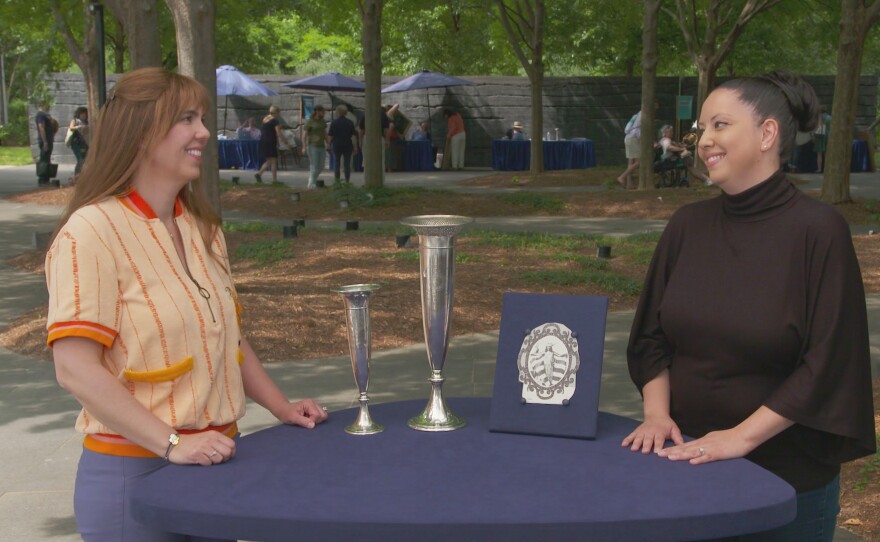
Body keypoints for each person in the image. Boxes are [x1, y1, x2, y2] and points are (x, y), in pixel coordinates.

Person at [45, 67, 328, 541]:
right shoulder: (90, 231)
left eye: (201, 118)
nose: (202, 132)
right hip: (134, 474)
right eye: (186, 119)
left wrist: (281, 406)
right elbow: (75, 369)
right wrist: (172, 443)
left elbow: (229, 339)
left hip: (218, 468)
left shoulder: (202, 228)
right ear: (140, 134)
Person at [623, 72, 876, 541]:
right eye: (701, 129)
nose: (703, 141)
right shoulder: (687, 225)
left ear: (767, 134)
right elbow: (650, 337)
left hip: (785, 484)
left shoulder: (819, 232)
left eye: (720, 125)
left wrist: (739, 438)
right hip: (687, 464)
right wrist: (657, 415)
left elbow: (826, 365)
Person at [254, 105, 288, 183]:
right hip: (270, 141)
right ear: (276, 113)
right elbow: (278, 133)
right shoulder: (274, 121)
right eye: (278, 113)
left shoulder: (265, 119)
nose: (278, 115)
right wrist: (285, 142)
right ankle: (274, 180)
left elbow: (269, 131)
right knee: (273, 161)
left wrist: (278, 142)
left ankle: (259, 174)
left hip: (263, 141)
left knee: (270, 161)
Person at [328, 104, 357, 183]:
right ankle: (347, 181)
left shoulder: (334, 123)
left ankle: (337, 181)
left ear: (338, 112)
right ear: (346, 113)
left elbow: (330, 136)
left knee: (337, 162)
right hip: (348, 144)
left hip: (337, 144)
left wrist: (328, 145)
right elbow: (353, 136)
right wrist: (355, 147)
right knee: (347, 164)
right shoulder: (350, 123)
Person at [302, 105, 328, 189]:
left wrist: (328, 144)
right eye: (322, 112)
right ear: (317, 111)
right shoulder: (310, 121)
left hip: (322, 146)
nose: (324, 113)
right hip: (312, 146)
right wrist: (304, 146)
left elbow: (325, 134)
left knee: (321, 166)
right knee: (314, 165)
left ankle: (312, 180)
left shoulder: (323, 121)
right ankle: (311, 184)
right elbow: (304, 135)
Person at [617, 109, 642, 188]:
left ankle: (629, 184)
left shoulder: (636, 115)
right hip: (633, 138)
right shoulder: (643, 115)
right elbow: (638, 131)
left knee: (631, 162)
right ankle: (622, 177)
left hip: (628, 138)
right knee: (639, 161)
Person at [35, 101, 58, 186]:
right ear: (42, 105)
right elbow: (41, 127)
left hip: (49, 140)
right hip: (45, 141)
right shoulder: (40, 115)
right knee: (44, 160)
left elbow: (53, 126)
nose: (48, 107)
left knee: (47, 160)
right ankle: (42, 180)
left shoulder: (46, 115)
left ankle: (46, 180)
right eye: (47, 105)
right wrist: (45, 142)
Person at [67, 106, 90, 183]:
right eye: (83, 114)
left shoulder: (87, 122)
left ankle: (80, 176)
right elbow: (71, 128)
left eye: (85, 114)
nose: (84, 116)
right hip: (76, 143)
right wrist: (79, 127)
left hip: (85, 143)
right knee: (80, 159)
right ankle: (76, 176)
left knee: (85, 160)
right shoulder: (75, 120)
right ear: (79, 114)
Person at [813, 105, 832, 173]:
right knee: (827, 153)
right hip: (828, 136)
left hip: (820, 135)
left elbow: (816, 127)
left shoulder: (818, 118)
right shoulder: (830, 118)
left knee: (819, 153)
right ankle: (827, 168)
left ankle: (819, 168)